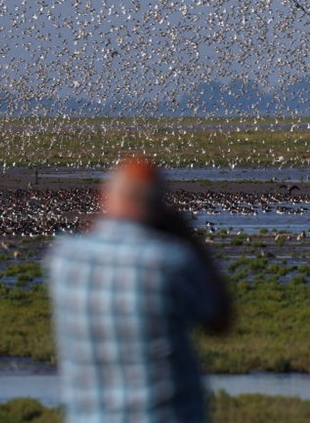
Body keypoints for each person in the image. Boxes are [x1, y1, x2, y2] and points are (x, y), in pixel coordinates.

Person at [48, 157, 233, 422]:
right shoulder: (171, 262)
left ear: (103, 197)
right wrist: (188, 236)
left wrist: (101, 220)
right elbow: (220, 320)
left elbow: (92, 238)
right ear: (161, 208)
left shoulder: (63, 260)